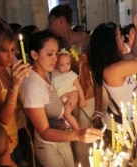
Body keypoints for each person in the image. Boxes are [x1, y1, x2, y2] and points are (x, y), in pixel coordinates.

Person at [18, 30, 103, 167]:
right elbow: (44, 131)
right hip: (50, 148)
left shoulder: (47, 74)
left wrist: (74, 94)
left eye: (56, 53)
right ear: (34, 54)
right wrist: (78, 135)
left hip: (61, 142)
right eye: (50, 54)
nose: (55, 59)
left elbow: (68, 83)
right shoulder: (32, 87)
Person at [88, 7, 137, 140]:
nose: (122, 38)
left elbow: (133, 54)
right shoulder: (113, 69)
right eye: (118, 36)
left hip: (126, 123)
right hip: (119, 129)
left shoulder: (114, 63)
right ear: (110, 43)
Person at [48, 4, 103, 166]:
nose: (49, 27)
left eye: (51, 22)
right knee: (71, 138)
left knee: (83, 142)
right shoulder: (55, 46)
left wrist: (98, 111)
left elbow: (96, 74)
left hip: (85, 95)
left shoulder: (84, 40)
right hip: (63, 99)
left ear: (61, 21)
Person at [0, 21, 34, 167]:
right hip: (0, 148)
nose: (10, 55)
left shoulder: (8, 71)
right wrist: (14, 86)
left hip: (17, 139)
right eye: (4, 51)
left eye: (12, 50)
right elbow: (4, 117)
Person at [51, 48, 87, 130]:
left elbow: (79, 87)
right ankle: (70, 126)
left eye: (68, 64)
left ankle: (77, 129)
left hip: (70, 96)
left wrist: (82, 100)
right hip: (60, 98)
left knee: (66, 114)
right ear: (56, 64)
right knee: (64, 114)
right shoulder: (54, 72)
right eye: (62, 65)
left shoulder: (72, 75)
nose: (65, 67)